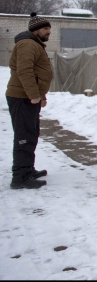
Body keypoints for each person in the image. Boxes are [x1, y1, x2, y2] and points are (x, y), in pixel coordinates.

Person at [5, 13, 53, 189]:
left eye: (49, 29)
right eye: (46, 29)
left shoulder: (34, 44)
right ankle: (20, 176)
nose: (49, 32)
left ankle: (27, 169)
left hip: (28, 97)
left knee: (31, 134)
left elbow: (38, 74)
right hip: (22, 97)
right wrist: (34, 94)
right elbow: (24, 71)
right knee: (24, 137)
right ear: (35, 30)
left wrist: (41, 96)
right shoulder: (27, 44)